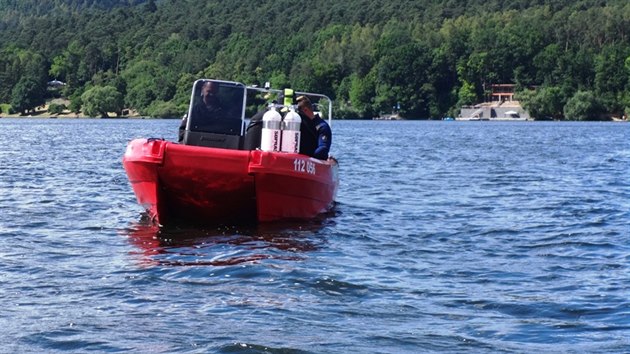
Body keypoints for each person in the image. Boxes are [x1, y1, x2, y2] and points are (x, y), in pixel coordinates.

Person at [296, 95, 331, 160]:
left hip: (313, 160)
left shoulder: (322, 126)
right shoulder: (296, 123)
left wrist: (307, 158)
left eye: (298, 113)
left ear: (305, 110)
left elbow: (323, 149)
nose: (297, 116)